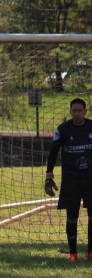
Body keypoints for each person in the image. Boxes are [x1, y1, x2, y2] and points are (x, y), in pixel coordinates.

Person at [45, 98, 92, 261]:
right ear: (70, 112)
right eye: (74, 111)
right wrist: (49, 177)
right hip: (71, 178)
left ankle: (91, 253)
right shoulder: (63, 129)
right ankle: (73, 254)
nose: (77, 114)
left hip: (90, 178)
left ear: (85, 111)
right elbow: (53, 152)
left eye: (80, 111)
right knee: (72, 215)